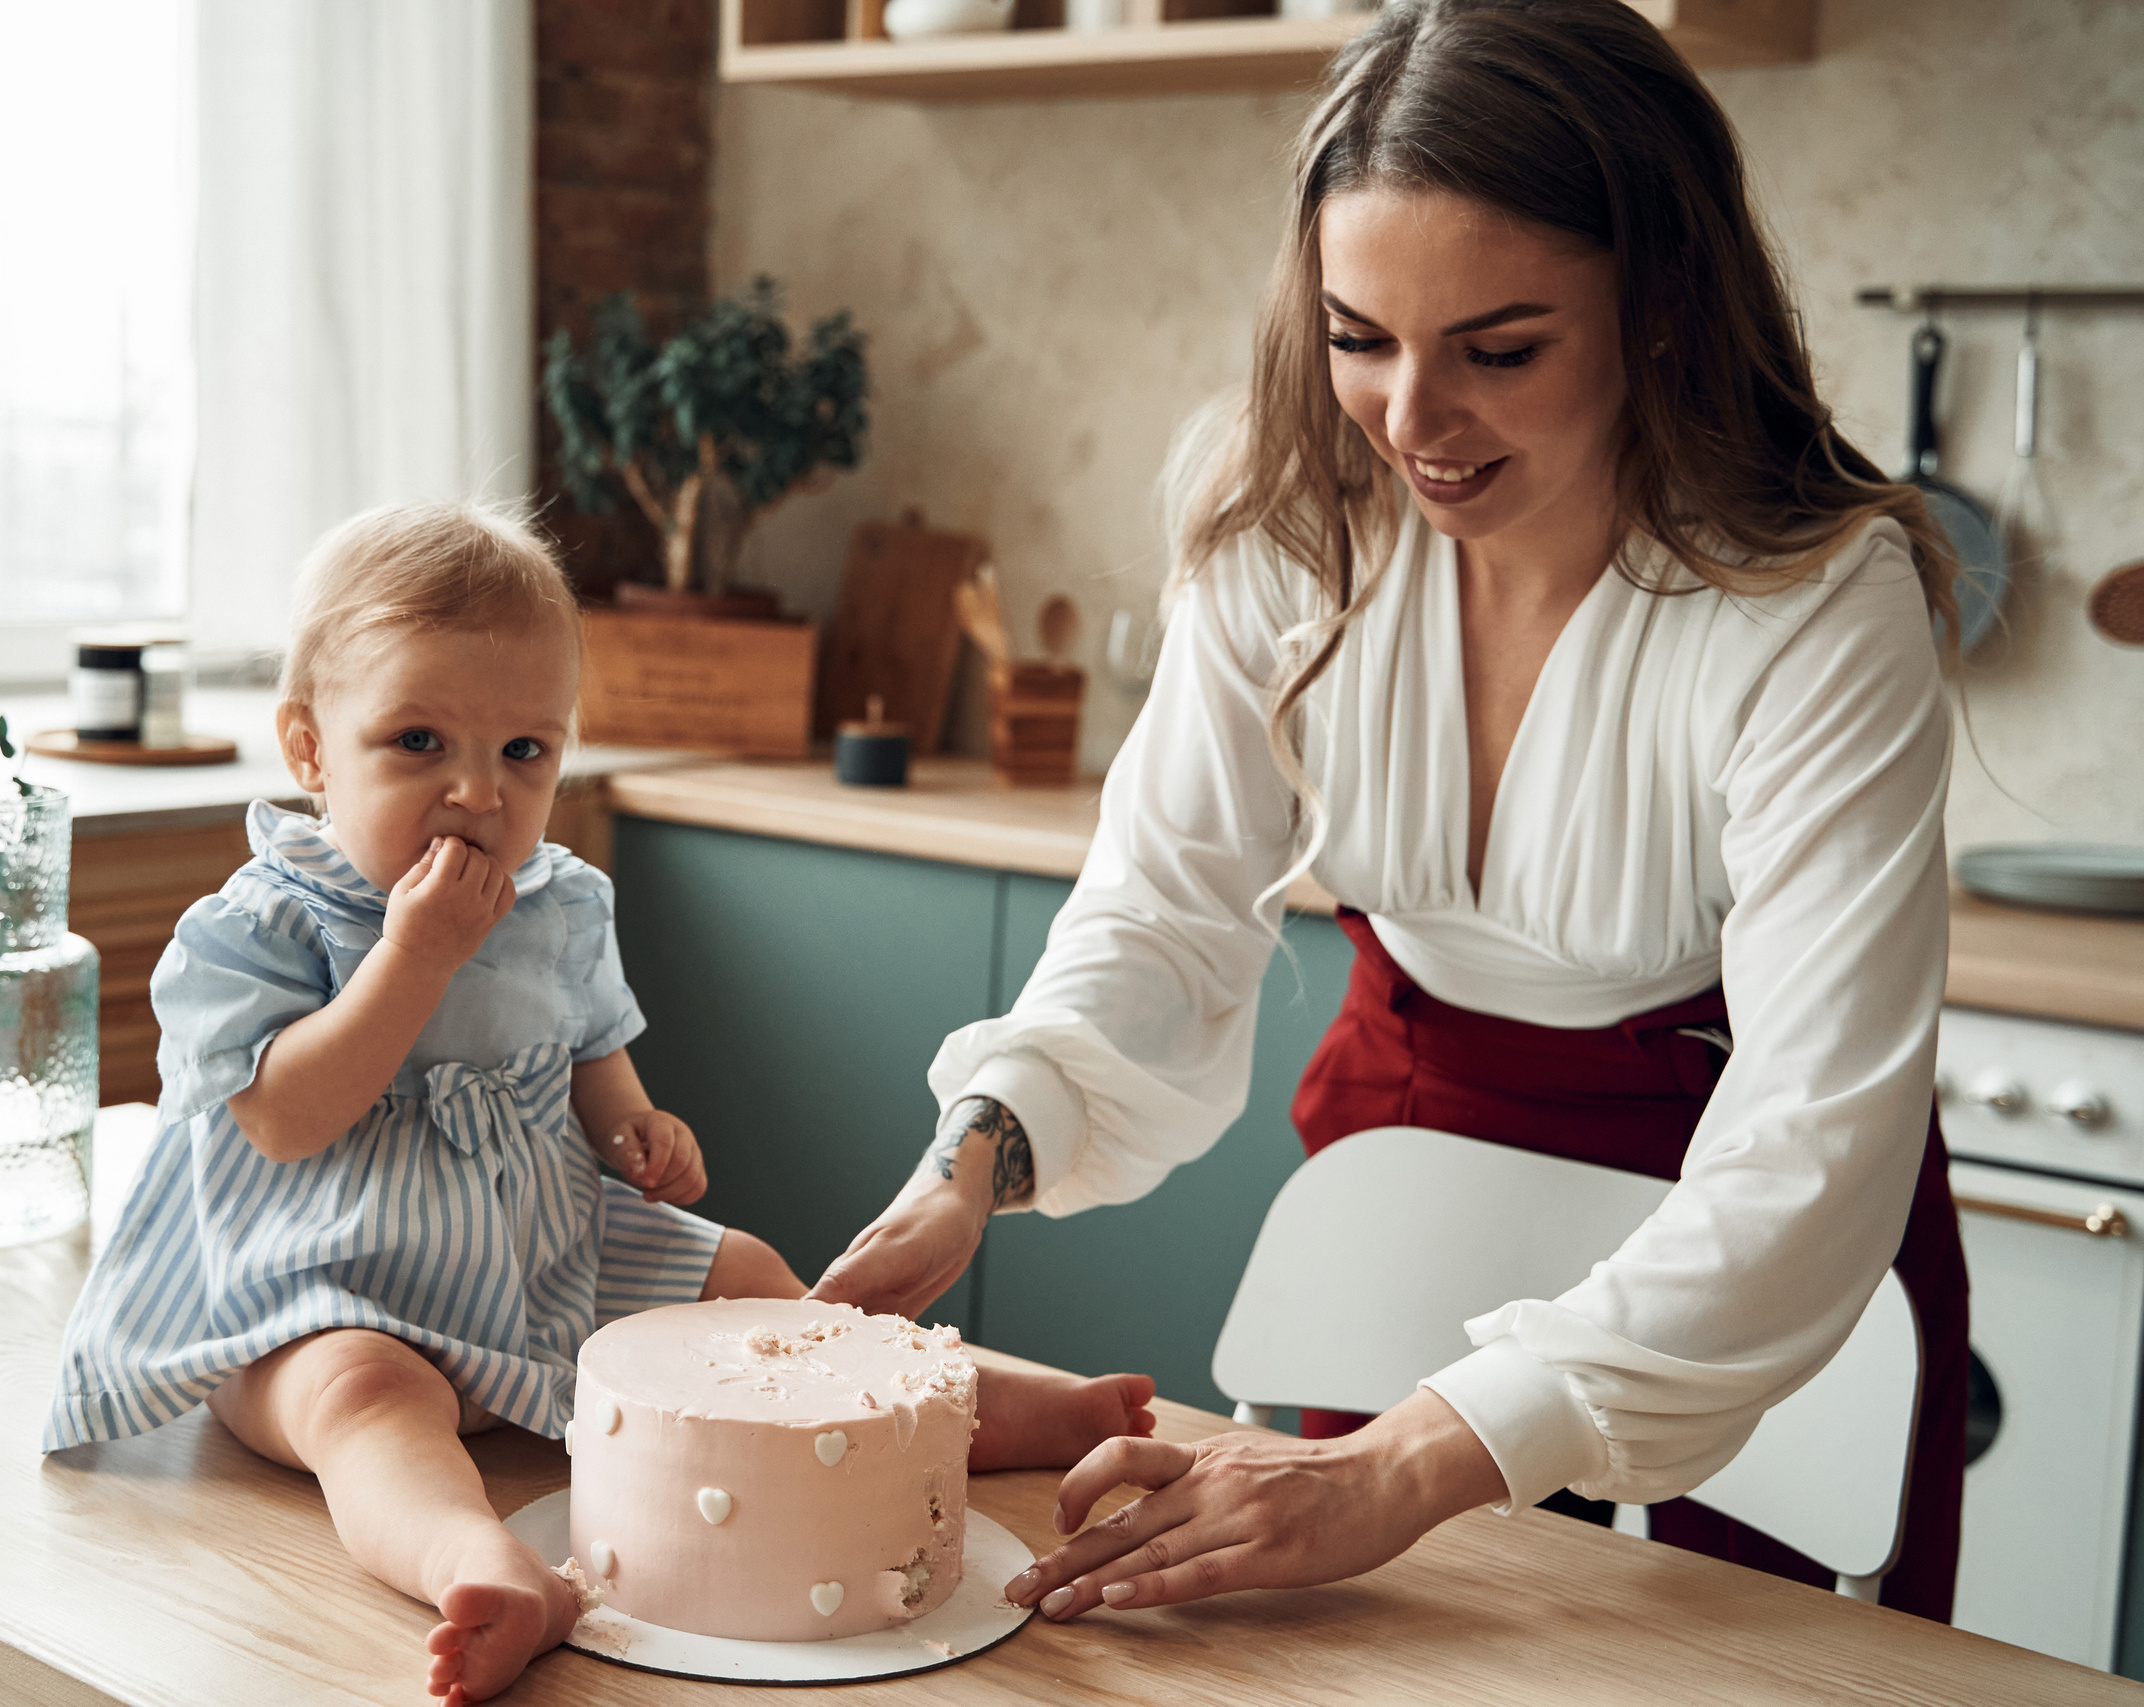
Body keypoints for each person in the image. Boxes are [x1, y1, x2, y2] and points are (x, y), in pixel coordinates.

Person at [811, 0, 1970, 1628]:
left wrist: (1409, 1462)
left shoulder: (1817, 598)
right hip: (1408, 1160)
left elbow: (1811, 1138)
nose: (1413, 419)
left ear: (1659, 309)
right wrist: (976, 1154)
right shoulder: (1282, 529)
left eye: (1500, 349)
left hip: (1743, 1247)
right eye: (1361, 337)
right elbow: (1162, 903)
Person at [42, 502, 1152, 1704]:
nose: (476, 791)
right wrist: (413, 956)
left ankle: (977, 1411)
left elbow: (590, 1060)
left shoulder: (558, 902)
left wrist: (637, 1128)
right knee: (363, 1401)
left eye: (524, 751)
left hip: (535, 1254)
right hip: (312, 1283)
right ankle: (474, 1560)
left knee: (755, 1278)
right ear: (311, 751)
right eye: (418, 741)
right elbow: (284, 1119)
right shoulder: (261, 924)